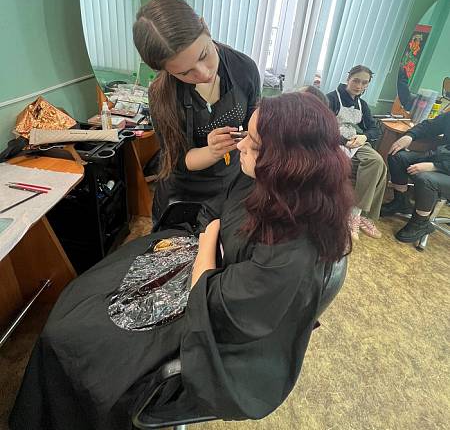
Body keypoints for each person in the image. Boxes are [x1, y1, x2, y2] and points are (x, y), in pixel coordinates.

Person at [10, 92, 353, 430]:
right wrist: (209, 241)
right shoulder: (269, 181)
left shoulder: (291, 250)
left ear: (289, 161)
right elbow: (215, 215)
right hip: (206, 264)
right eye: (247, 134)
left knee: (72, 340)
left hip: (212, 322)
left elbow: (214, 302)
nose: (241, 145)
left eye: (255, 143)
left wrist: (207, 245)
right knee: (82, 300)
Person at [132, 0, 261, 222]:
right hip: (183, 194)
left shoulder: (244, 69)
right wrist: (211, 151)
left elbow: (255, 130)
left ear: (205, 26)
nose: (203, 73)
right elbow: (179, 160)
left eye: (204, 55)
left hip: (232, 183)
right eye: (184, 73)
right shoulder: (162, 94)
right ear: (166, 71)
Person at [327, 65, 387, 240]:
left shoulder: (362, 105)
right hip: (333, 141)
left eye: (364, 83)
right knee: (377, 168)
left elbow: (375, 129)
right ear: (348, 79)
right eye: (356, 81)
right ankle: (358, 215)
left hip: (355, 142)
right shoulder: (331, 99)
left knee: (378, 163)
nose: (359, 86)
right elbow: (321, 127)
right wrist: (343, 142)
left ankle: (356, 214)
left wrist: (364, 137)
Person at [381, 111, 450, 243]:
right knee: (397, 157)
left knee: (425, 179)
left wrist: (435, 166)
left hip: (443, 167)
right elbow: (429, 126)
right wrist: (410, 136)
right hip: (441, 159)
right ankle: (401, 202)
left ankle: (421, 223)